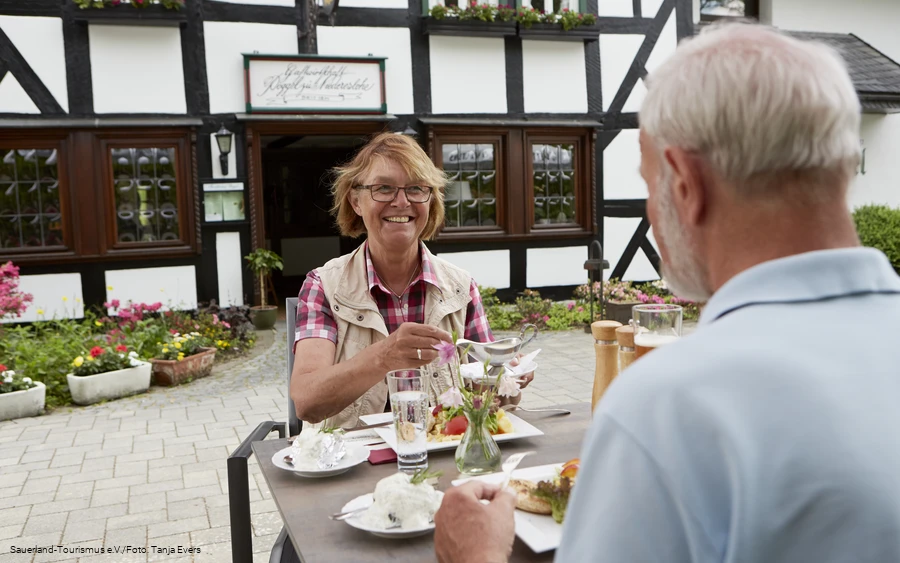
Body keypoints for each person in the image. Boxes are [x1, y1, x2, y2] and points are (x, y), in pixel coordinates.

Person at [435, 22, 900, 563]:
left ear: (684, 182)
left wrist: (476, 556)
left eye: (648, 184)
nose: (652, 217)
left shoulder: (669, 407)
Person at [290, 132, 532, 429]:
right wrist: (384, 356)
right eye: (384, 188)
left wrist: (507, 379)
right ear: (355, 200)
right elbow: (307, 401)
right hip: (352, 463)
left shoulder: (460, 287)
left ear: (430, 200)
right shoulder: (323, 286)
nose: (401, 201)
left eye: (416, 188)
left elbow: (482, 395)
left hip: (440, 456)